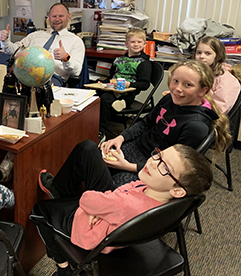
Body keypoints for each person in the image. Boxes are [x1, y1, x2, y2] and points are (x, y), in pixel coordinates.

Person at [31, 141, 213, 276]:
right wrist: (104, 205)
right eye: (159, 155)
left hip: (90, 230)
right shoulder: (160, 195)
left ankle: (63, 268)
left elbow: (87, 200)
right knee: (87, 149)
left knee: (39, 211)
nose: (151, 162)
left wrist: (97, 208)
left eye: (164, 167)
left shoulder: (127, 205)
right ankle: (63, 199)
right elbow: (124, 192)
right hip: (115, 213)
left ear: (178, 191)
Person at [100, 59, 230, 186]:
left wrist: (129, 167)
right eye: (175, 81)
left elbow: (174, 166)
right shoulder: (169, 99)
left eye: (188, 85)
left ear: (202, 91)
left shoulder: (196, 126)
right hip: (139, 147)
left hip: (155, 168)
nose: (177, 89)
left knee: (114, 187)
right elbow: (146, 123)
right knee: (92, 159)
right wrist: (121, 137)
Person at [0, 3, 85, 87]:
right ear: (49, 17)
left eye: (61, 16)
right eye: (54, 16)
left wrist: (66, 58)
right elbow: (14, 51)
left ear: (68, 17)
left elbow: (76, 72)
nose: (57, 19)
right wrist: (5, 41)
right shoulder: (35, 35)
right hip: (25, 75)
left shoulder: (75, 41)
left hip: (52, 79)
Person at [98, 28, 151, 144]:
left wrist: (129, 84)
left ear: (144, 44)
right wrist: (103, 82)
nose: (136, 44)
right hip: (113, 89)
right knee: (97, 95)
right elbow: (112, 76)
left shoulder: (144, 63)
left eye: (139, 42)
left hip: (128, 92)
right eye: (133, 42)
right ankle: (115, 106)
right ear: (126, 43)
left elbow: (145, 84)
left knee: (106, 99)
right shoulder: (118, 60)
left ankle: (100, 131)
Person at [193, 36, 241, 113]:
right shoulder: (195, 72)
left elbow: (219, 109)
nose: (201, 56)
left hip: (208, 118)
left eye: (207, 53)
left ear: (218, 56)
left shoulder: (227, 79)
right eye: (199, 52)